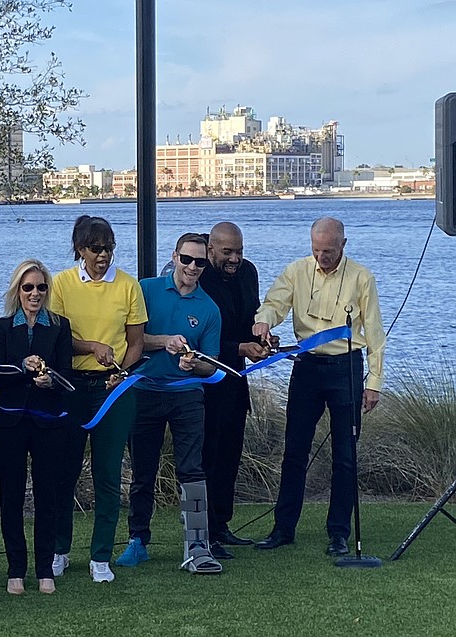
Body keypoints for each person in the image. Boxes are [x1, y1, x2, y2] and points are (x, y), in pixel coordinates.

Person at [253, 217, 386, 556]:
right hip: (307, 369)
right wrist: (263, 321)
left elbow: (374, 334)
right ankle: (283, 528)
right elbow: (274, 303)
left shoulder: (361, 277)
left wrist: (374, 383)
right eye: (316, 250)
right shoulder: (296, 271)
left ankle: (339, 534)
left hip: (346, 368)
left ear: (343, 244)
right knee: (294, 451)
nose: (322, 256)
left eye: (328, 250)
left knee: (345, 455)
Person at [116, 232, 223, 575]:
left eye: (200, 262)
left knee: (191, 470)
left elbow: (212, 363)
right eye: (187, 259)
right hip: (145, 390)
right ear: (175, 256)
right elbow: (129, 338)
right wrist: (163, 342)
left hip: (188, 395)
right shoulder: (145, 290)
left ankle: (196, 545)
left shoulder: (209, 308)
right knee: (143, 471)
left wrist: (196, 363)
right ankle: (137, 541)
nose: (192, 267)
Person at [49, 215, 147, 583]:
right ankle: (60, 549)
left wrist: (120, 371)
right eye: (95, 249)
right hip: (72, 386)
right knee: (65, 472)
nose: (103, 256)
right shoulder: (60, 284)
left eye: (108, 248)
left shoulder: (127, 286)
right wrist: (90, 346)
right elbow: (58, 340)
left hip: (114, 389)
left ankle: (101, 556)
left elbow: (136, 341)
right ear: (80, 249)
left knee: (108, 475)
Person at [0, 259, 73, 595]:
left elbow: (68, 375)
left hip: (49, 421)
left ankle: (44, 569)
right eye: (28, 287)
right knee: (11, 495)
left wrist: (51, 380)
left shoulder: (60, 326)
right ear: (17, 291)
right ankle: (15, 569)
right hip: (10, 419)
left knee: (47, 495)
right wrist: (21, 367)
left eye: (40, 287)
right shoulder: (3, 326)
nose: (34, 293)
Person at [198, 223, 270, 559]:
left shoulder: (248, 273)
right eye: (227, 252)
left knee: (229, 454)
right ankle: (203, 534)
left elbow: (250, 318)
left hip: (236, 382)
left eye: (239, 251)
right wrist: (240, 348)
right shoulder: (198, 275)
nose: (235, 258)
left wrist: (261, 340)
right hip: (204, 382)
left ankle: (222, 524)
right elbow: (199, 342)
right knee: (205, 458)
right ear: (210, 249)